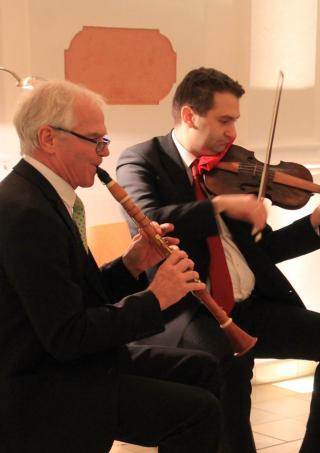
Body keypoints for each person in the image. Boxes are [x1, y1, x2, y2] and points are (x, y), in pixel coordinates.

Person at [116, 67, 320, 453]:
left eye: (235, 121)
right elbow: (149, 222)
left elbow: (264, 251)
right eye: (224, 120)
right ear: (190, 115)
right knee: (231, 362)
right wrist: (219, 206)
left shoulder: (228, 170)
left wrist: (317, 217)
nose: (233, 133)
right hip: (187, 310)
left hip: (248, 306)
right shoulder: (141, 160)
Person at [0, 80, 221, 452]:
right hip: (42, 388)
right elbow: (68, 335)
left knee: (204, 369)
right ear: (48, 138)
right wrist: (156, 298)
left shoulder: (44, 196)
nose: (104, 152)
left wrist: (130, 266)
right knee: (199, 412)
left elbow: (76, 296)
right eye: (95, 140)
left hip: (67, 364)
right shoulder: (26, 211)